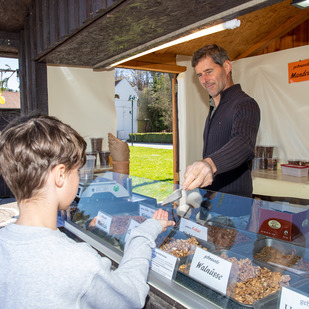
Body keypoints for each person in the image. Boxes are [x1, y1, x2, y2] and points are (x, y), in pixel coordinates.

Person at [0, 114, 175, 309]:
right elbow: (131, 296)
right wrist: (143, 233)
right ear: (60, 175)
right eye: (76, 170)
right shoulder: (79, 263)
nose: (79, 176)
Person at [182, 44, 260, 198]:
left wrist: (209, 164)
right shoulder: (214, 108)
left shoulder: (245, 103)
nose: (204, 80)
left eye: (209, 72)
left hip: (233, 207)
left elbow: (243, 142)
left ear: (227, 66)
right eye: (199, 75)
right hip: (210, 202)